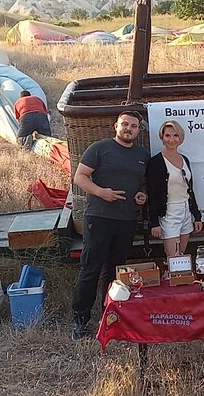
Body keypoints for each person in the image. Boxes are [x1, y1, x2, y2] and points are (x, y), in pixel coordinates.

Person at [71, 110, 149, 340]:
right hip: (99, 218)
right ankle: (80, 321)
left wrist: (142, 195)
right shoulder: (99, 148)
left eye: (133, 126)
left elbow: (143, 184)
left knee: (115, 271)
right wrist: (101, 192)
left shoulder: (142, 155)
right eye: (125, 124)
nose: (129, 129)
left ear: (138, 130)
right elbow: (80, 176)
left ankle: (109, 314)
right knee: (90, 268)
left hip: (126, 220)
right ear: (116, 126)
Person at [146, 120, 203, 259]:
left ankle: (180, 279)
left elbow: (190, 190)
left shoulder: (185, 160)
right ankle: (173, 276)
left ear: (180, 138)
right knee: (173, 257)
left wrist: (197, 216)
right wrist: (154, 223)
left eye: (175, 135)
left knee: (181, 256)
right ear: (162, 137)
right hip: (168, 212)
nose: (171, 139)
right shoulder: (156, 162)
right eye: (167, 136)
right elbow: (151, 194)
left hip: (185, 210)